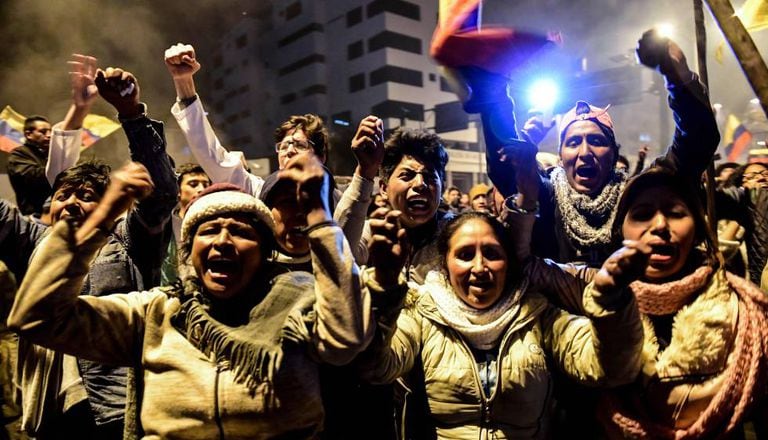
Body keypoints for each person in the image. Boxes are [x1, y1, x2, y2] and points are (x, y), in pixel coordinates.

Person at [8, 152, 374, 438]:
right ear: (189, 251)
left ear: (265, 252)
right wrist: (99, 220)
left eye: (241, 232)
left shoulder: (300, 300)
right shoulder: (156, 313)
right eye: (209, 230)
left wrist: (319, 216)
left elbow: (346, 338)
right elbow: (37, 317)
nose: (223, 241)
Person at [515, 167, 768, 438]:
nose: (659, 226)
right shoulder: (592, 286)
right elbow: (523, 267)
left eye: (675, 213)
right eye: (642, 214)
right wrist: (526, 201)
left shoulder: (741, 306)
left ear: (697, 230)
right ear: (620, 231)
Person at [1, 56, 177, 439]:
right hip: (52, 413)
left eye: (85, 196)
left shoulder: (128, 240)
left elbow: (161, 194)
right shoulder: (34, 241)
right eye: (63, 195)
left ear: (107, 206)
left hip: (117, 408)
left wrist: (131, 113)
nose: (71, 203)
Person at [356, 209, 644, 438]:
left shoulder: (538, 315)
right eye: (465, 255)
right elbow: (376, 368)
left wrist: (611, 302)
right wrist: (384, 286)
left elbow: (610, 368)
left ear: (509, 263)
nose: (479, 268)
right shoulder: (421, 312)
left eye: (492, 254)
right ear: (445, 265)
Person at [476, 30, 719, 267]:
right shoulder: (544, 195)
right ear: (561, 157)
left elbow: (696, 143)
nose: (585, 152)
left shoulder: (635, 195)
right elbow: (505, 164)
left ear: (613, 155)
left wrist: (680, 81)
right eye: (573, 143)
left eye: (596, 141)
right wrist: (495, 93)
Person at [160, 163, 212, 285]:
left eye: (206, 185)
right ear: (178, 191)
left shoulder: (214, 223)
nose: (201, 189)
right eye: (193, 184)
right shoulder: (164, 223)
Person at [7, 116, 52, 216]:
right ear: (28, 134)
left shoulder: (48, 154)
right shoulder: (18, 154)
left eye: (50, 131)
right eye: (43, 131)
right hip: (34, 215)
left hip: (51, 212)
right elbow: (33, 177)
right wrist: (58, 166)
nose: (49, 135)